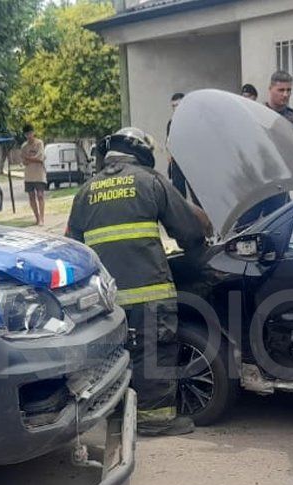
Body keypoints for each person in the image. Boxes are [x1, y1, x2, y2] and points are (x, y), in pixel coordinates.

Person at [66, 127, 209, 436]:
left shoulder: (85, 192)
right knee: (152, 352)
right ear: (142, 153)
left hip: (103, 300)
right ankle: (155, 421)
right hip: (148, 292)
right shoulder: (150, 181)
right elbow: (190, 231)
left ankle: (113, 415)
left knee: (111, 354)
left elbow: (72, 248)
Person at [21, 124, 46, 226]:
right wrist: (29, 159)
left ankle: (42, 218)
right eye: (27, 134)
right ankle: (37, 217)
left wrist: (28, 158)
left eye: (30, 133)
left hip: (39, 174)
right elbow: (24, 161)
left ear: (33, 133)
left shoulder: (39, 143)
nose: (29, 136)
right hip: (29, 175)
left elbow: (40, 158)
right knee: (31, 197)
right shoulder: (24, 146)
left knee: (40, 195)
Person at [167, 93, 190, 198]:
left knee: (197, 196)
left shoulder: (191, 121)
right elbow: (168, 142)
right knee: (178, 194)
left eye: (178, 105)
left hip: (191, 161)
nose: (175, 109)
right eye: (173, 106)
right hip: (177, 162)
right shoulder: (171, 123)